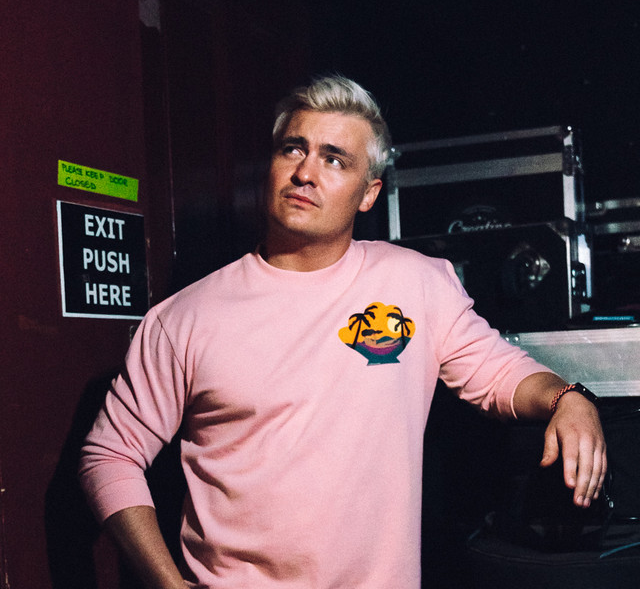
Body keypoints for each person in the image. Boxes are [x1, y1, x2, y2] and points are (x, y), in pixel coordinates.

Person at [79, 74, 606, 589]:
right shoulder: (184, 317)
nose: (305, 173)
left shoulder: (416, 283)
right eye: (293, 149)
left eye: (334, 159)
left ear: (369, 193)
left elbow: (500, 374)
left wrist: (569, 399)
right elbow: (109, 455)